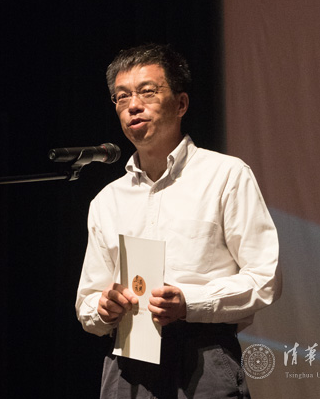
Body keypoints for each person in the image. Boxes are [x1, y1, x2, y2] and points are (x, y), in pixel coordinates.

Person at [75, 43, 281, 398]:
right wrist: (103, 308)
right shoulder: (107, 200)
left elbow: (265, 278)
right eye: (122, 97)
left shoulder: (225, 175)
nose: (133, 105)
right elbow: (87, 302)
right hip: (127, 360)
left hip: (203, 353)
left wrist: (189, 301)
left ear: (181, 104)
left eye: (147, 92)